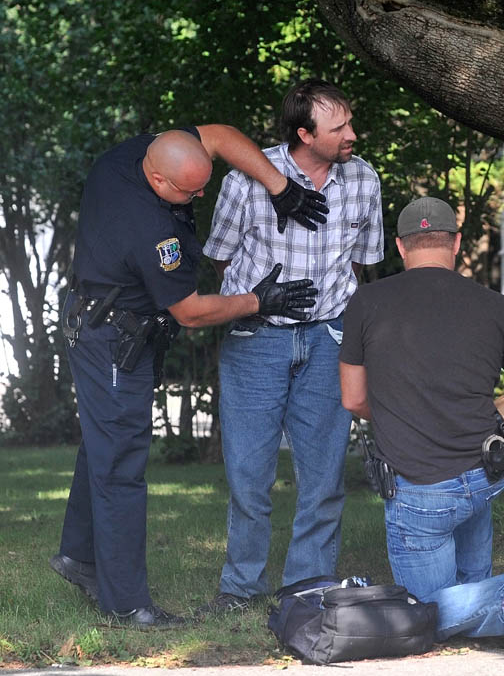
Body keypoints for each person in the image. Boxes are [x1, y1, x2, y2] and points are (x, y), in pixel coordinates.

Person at [50, 124, 326, 628]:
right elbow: (191, 311)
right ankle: (127, 604)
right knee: (121, 468)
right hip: (112, 341)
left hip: (98, 320)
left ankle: (79, 557)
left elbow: (217, 136)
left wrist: (280, 187)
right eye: (190, 191)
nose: (201, 195)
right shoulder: (151, 231)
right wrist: (258, 301)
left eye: (204, 182)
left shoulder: (124, 157)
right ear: (157, 179)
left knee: (102, 445)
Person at [339, 197, 504, 657]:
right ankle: (493, 603)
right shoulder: (492, 305)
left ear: (400, 246)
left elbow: (353, 399)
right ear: (456, 243)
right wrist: (501, 421)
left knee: (424, 618)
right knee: (463, 590)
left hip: (420, 486)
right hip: (485, 472)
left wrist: (403, 414)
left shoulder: (367, 302)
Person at [200, 79, 384, 613]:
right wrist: (258, 301)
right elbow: (220, 258)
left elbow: (360, 263)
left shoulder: (364, 177)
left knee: (325, 475)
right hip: (257, 340)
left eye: (350, 122)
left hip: (328, 338)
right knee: (249, 476)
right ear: (305, 134)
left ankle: (310, 585)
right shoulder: (247, 179)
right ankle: (240, 588)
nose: (352, 134)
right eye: (339, 127)